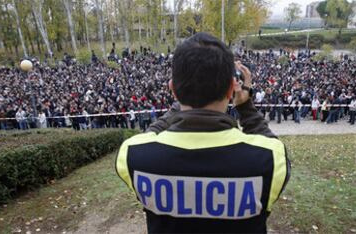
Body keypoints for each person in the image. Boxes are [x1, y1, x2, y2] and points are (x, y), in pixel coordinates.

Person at [116, 33, 290, 233]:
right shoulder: (270, 158)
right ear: (230, 89)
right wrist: (246, 108)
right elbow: (269, 144)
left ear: (173, 90)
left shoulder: (133, 154)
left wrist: (181, 99)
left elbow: (151, 134)